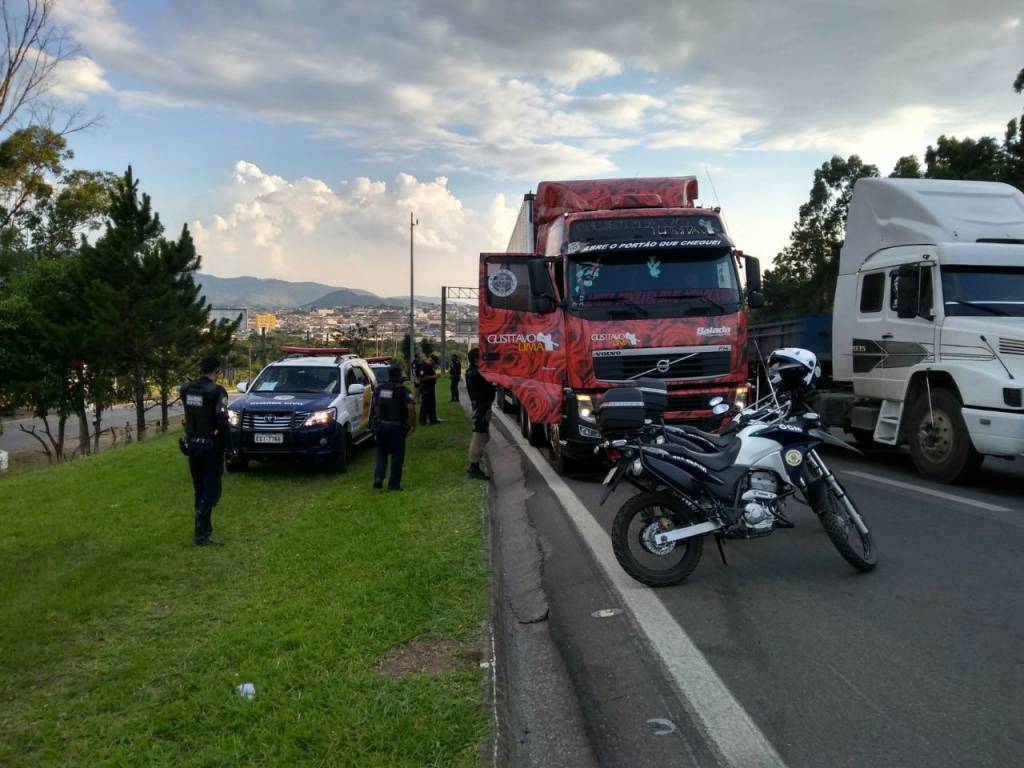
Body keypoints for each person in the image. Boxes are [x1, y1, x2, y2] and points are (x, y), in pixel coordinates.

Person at [180, 356, 230, 546]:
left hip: (193, 444)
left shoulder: (187, 389)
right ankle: (200, 534)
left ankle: (203, 531)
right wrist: (230, 446)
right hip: (211, 446)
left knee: (199, 489)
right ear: (217, 370)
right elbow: (222, 421)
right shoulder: (216, 391)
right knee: (212, 491)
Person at [373, 363, 416, 490]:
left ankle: (378, 477)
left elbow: (376, 406)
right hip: (396, 427)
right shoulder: (403, 390)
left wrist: (377, 421)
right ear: (399, 375)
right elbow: (410, 407)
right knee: (397, 455)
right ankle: (393, 484)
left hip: (381, 425)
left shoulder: (379, 389)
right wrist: (412, 424)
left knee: (381, 452)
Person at [465, 347, 495, 479]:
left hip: (481, 407)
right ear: (477, 359)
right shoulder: (476, 373)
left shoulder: (473, 372)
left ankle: (476, 462)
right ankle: (474, 466)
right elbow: (483, 390)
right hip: (481, 408)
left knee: (483, 435)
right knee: (479, 436)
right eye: (482, 357)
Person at [418, 354, 441, 425]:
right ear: (431, 360)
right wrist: (434, 376)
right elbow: (423, 377)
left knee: (432, 404)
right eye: (434, 363)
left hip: (430, 387)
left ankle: (433, 419)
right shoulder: (423, 366)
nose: (434, 365)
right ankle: (422, 420)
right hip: (426, 387)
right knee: (425, 404)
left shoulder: (429, 366)